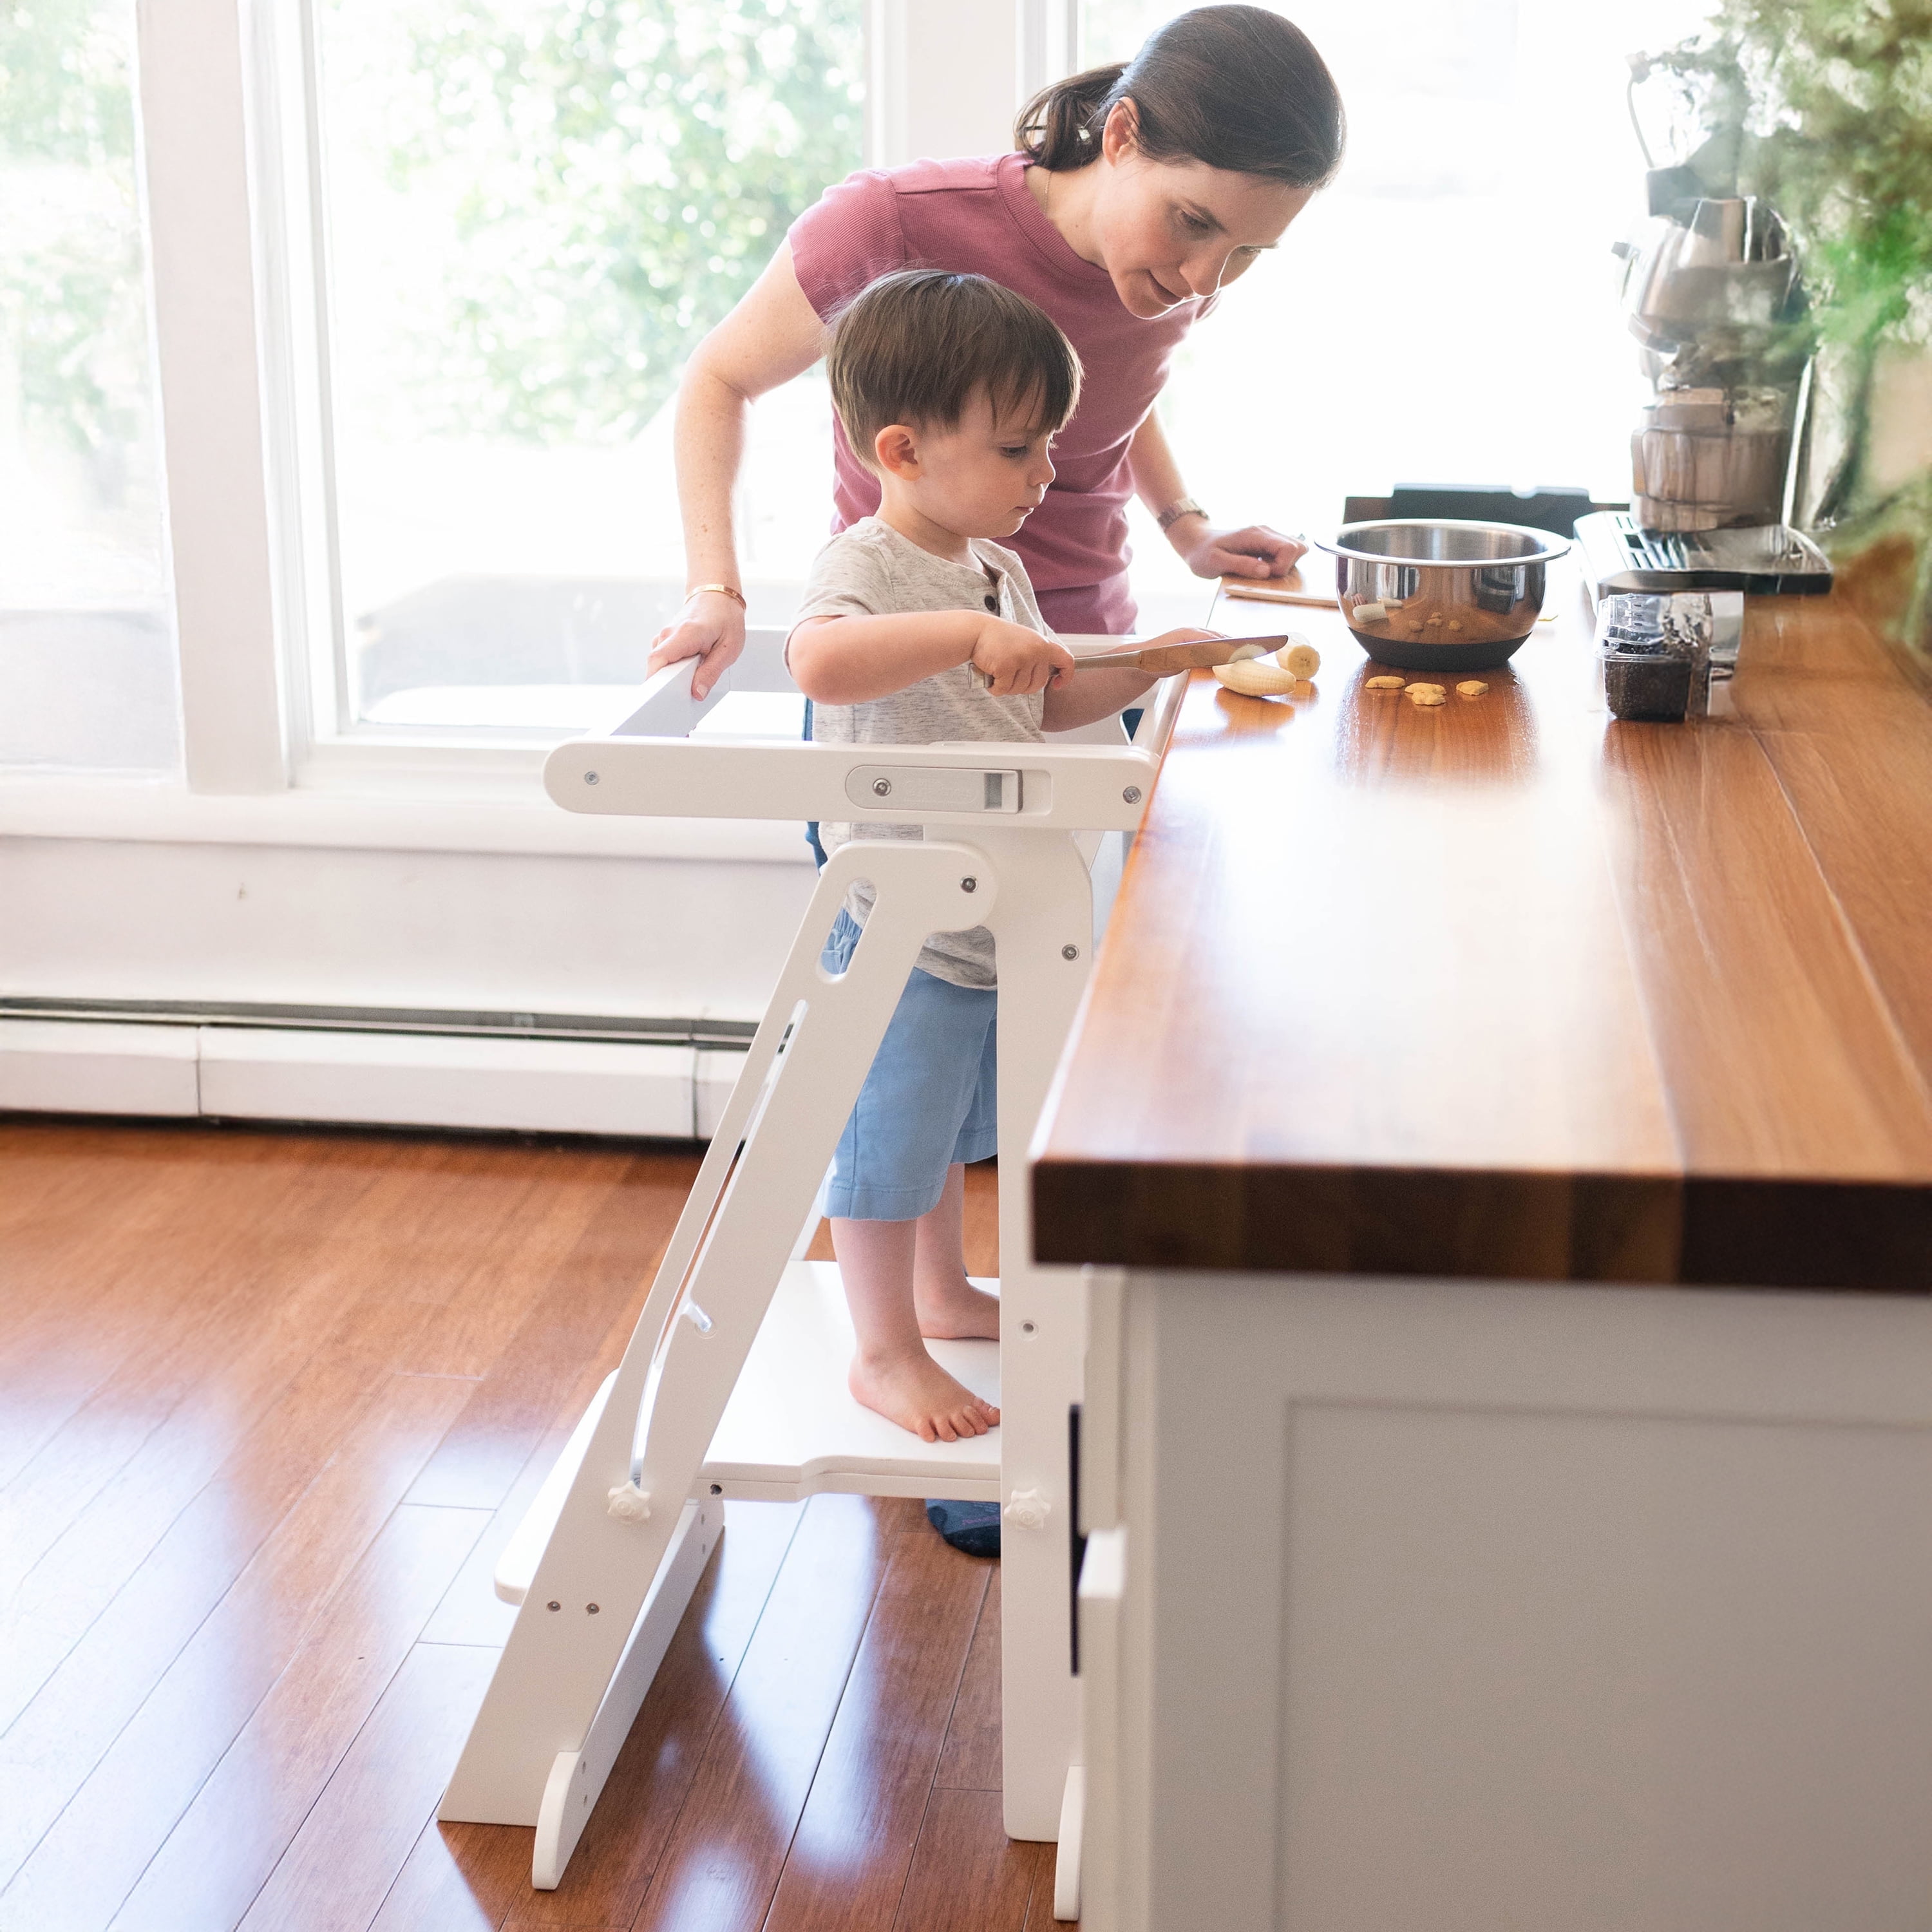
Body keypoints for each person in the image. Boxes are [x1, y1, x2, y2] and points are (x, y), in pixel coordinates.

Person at [789, 268, 1208, 1444]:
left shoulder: (994, 567)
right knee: (889, 1136)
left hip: (990, 911)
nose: (1048, 476)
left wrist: (1150, 662)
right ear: (904, 450)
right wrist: (971, 635)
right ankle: (882, 1350)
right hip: (905, 920)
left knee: (949, 1124)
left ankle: (939, 1291)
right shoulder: (867, 565)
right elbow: (820, 666)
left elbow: (1040, 707)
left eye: (1050, 448)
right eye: (1021, 448)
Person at [648, 3, 1345, 697]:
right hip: (900, 673)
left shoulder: (1185, 274)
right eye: (1192, 221)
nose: (1206, 279)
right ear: (1123, 134)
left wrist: (1186, 527)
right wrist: (716, 591)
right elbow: (720, 379)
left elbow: (1121, 389)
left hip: (1088, 661)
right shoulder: (888, 222)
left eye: (1248, 250)